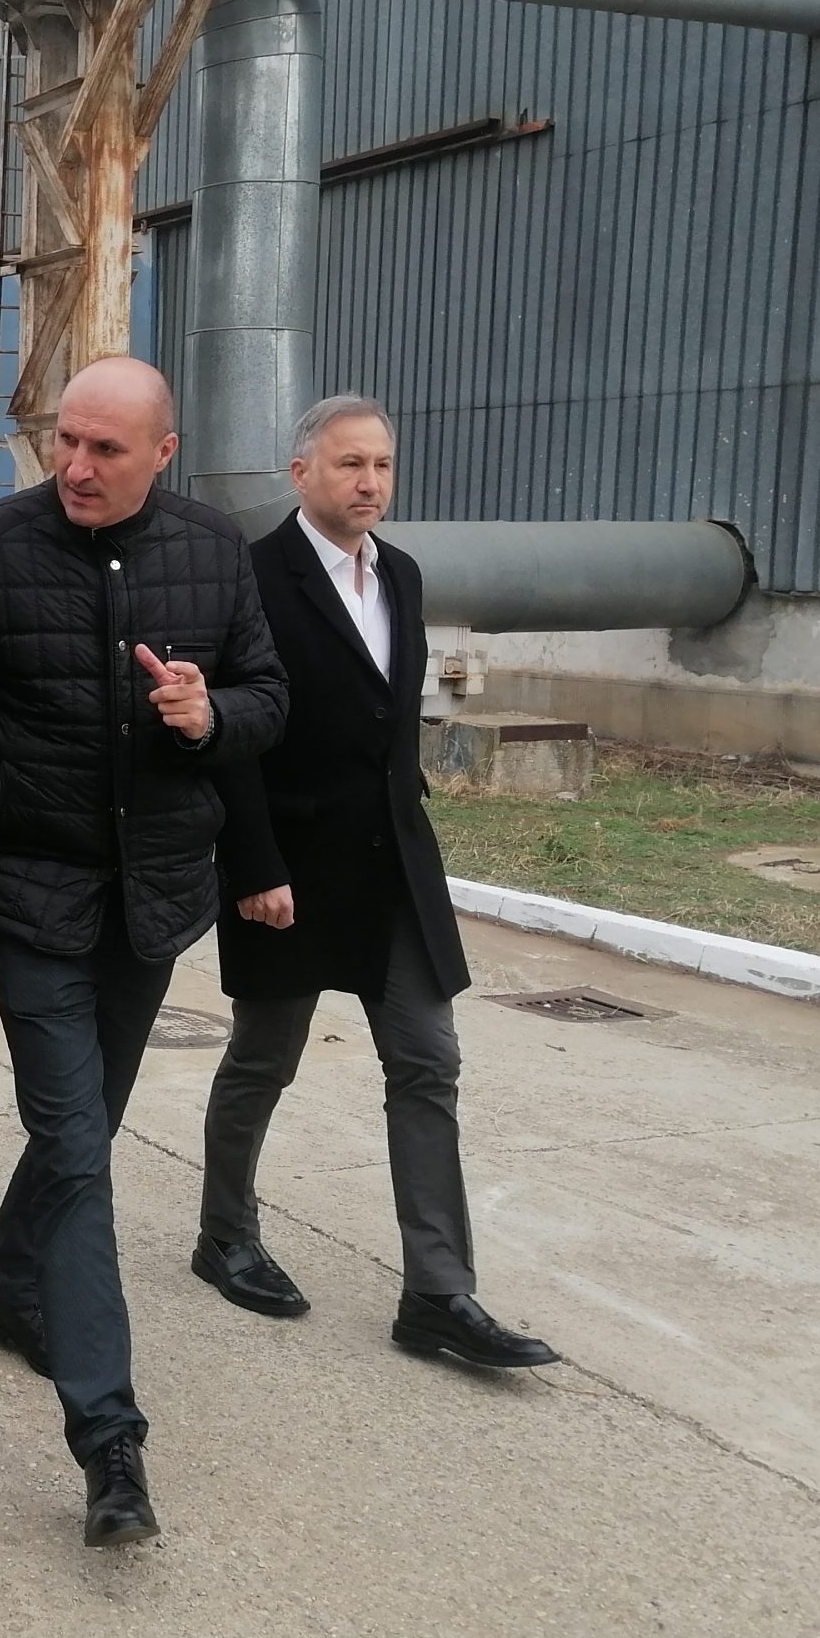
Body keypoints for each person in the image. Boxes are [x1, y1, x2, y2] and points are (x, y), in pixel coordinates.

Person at [0, 355, 286, 1549]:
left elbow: (268, 696)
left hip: (153, 902)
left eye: (104, 449)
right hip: (32, 899)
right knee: (74, 1148)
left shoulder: (213, 549)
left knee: (85, 1131)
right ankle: (109, 1440)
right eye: (64, 440)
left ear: (162, 452)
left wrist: (210, 715)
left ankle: (13, 1289)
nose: (73, 465)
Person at [201, 395, 559, 1369]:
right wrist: (252, 866)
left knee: (428, 1060)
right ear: (300, 473)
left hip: (392, 865)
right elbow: (231, 736)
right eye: (349, 464)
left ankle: (438, 1293)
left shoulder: (399, 574)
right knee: (263, 1059)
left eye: (382, 465)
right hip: (289, 869)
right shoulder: (252, 577)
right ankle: (224, 1233)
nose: (370, 483)